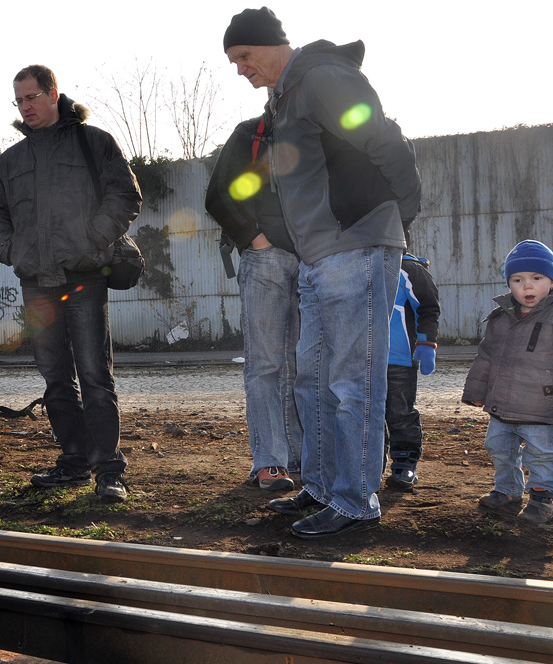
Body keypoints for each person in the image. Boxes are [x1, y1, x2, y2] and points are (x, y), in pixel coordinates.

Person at [223, 8, 421, 539]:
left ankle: (355, 500)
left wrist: (399, 212)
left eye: (244, 56)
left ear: (273, 45)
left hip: (354, 244)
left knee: (352, 380)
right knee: (311, 379)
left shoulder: (323, 78)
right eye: (233, 61)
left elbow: (382, 138)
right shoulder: (285, 98)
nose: (240, 68)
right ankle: (319, 484)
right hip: (317, 258)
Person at [0, 64, 142, 503]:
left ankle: (110, 469)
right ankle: (74, 460)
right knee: (54, 377)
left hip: (84, 278)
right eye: (18, 100)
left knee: (94, 375)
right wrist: (10, 249)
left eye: (31, 97)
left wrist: (94, 238)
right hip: (36, 282)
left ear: (53, 93)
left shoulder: (94, 143)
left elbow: (126, 194)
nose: (25, 106)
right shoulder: (10, 161)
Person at [205, 113, 302, 491]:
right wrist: (255, 238)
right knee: (265, 364)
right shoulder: (252, 133)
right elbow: (218, 195)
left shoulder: (316, 131)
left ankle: (297, 458)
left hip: (314, 261)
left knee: (304, 368)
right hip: (266, 260)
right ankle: (270, 463)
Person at [463, 240, 553, 525]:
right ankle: (508, 490)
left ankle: (542, 500)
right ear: (509, 283)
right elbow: (486, 356)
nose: (527, 287)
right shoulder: (500, 317)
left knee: (540, 456)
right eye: (518, 279)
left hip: (541, 406)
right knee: (500, 448)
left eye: (537, 278)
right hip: (501, 405)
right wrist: (476, 392)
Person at [384, 253, 440, 488]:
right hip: (359, 359)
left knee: (399, 413)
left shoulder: (408, 268)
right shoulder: (355, 264)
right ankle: (369, 466)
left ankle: (404, 464)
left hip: (398, 358)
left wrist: (426, 343)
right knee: (364, 416)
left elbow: (428, 307)